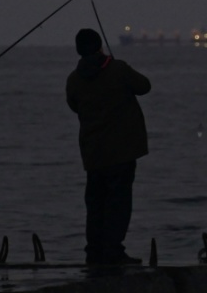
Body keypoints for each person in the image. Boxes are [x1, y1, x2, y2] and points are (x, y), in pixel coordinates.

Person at [65, 28, 151, 266]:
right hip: (122, 152)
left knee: (95, 205)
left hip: (92, 154)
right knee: (118, 204)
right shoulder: (118, 70)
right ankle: (113, 251)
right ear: (100, 46)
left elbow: (74, 106)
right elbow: (144, 86)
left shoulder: (73, 79)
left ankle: (94, 252)